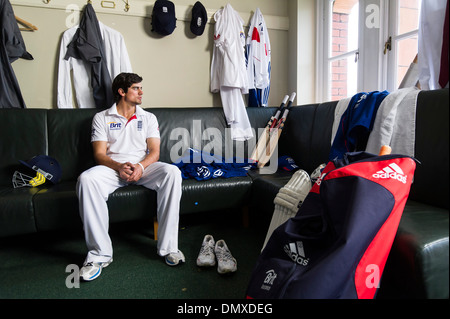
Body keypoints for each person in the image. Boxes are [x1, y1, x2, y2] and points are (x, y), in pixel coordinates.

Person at [76, 72, 184, 281]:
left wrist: (140, 167)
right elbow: (99, 154)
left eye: (141, 88)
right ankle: (99, 255)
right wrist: (118, 166)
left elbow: (154, 152)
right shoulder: (102, 118)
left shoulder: (148, 117)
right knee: (86, 179)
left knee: (172, 172)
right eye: (136, 88)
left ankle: (169, 248)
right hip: (112, 168)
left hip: (142, 167)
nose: (141, 92)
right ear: (122, 91)